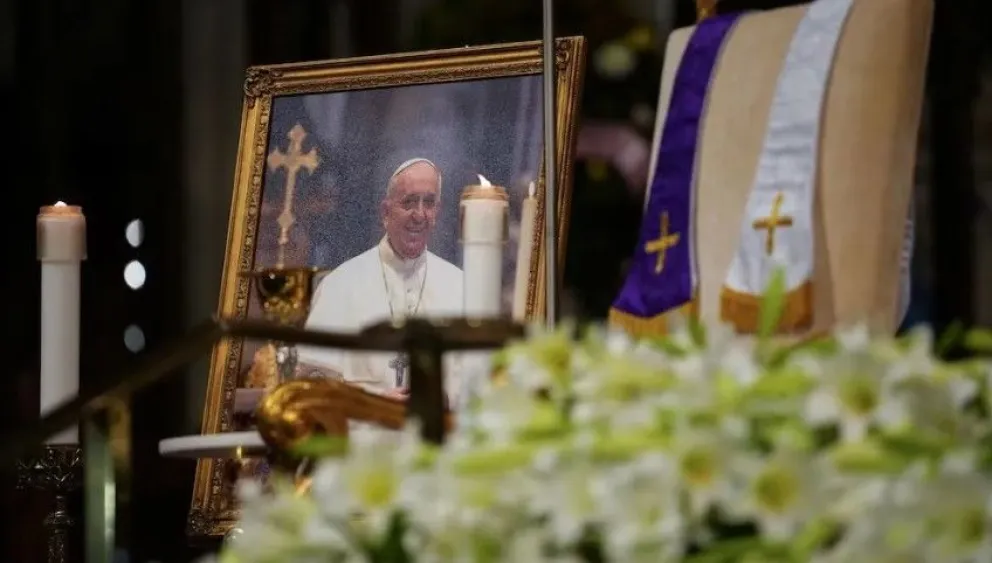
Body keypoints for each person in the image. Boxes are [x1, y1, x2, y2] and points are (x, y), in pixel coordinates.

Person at [296, 158, 464, 403]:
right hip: (364, 436)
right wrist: (374, 402)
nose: (419, 214)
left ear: (437, 212)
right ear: (386, 212)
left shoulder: (459, 286)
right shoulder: (340, 285)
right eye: (409, 202)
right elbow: (313, 387)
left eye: (428, 202)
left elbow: (476, 384)